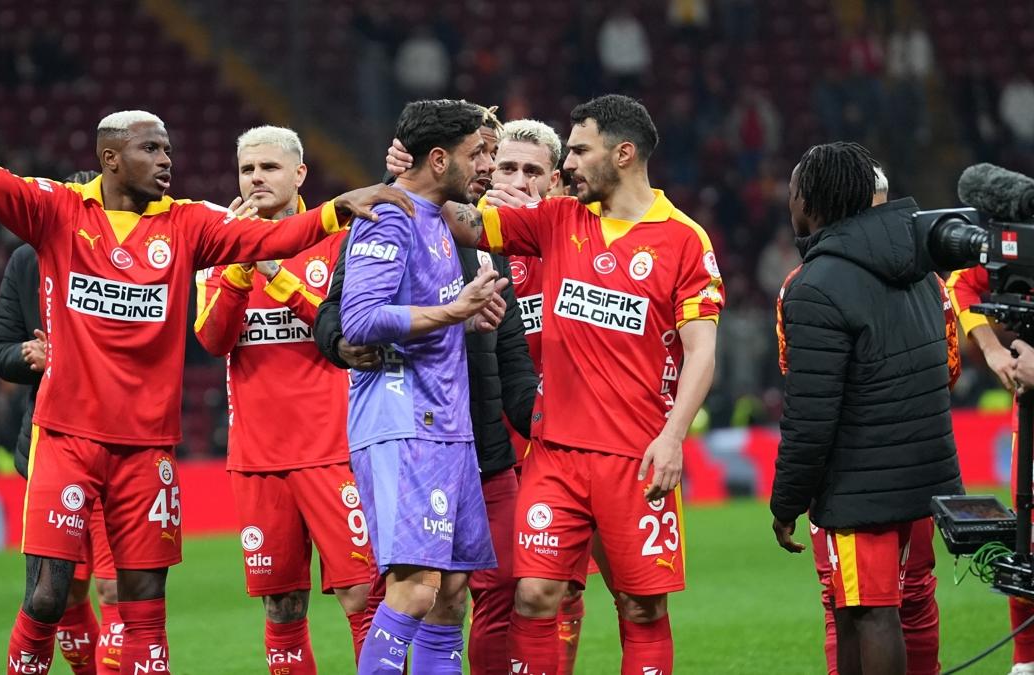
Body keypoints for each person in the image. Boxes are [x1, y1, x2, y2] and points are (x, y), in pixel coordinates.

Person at [0, 76, 411, 675]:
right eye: (151, 149)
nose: (167, 160)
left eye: (168, 149)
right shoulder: (59, 211)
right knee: (47, 597)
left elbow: (275, 235)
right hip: (66, 437)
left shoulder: (190, 223)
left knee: (143, 607)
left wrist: (337, 209)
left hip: (148, 449)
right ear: (110, 159)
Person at [448, 94, 723, 675]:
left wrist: (673, 437)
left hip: (637, 455)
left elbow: (702, 352)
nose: (566, 164)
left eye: (578, 151)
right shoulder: (558, 220)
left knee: (641, 606)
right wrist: (403, 178)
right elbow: (460, 221)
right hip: (556, 454)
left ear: (623, 154)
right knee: (533, 595)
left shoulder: (683, 239)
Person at [316, 112, 541, 675]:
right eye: (478, 154)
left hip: (452, 429)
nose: (488, 165)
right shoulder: (389, 215)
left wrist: (466, 321)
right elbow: (358, 319)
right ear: (439, 159)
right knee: (415, 590)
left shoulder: (443, 221)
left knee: (450, 597)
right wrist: (454, 311)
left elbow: (428, 312)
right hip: (404, 423)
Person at [771, 142, 963, 675]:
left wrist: (787, 501)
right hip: (924, 475)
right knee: (913, 597)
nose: (789, 202)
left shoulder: (811, 285)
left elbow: (810, 411)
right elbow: (947, 369)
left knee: (866, 610)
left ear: (814, 200)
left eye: (794, 192)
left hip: (860, 483)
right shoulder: (926, 272)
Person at [191, 126, 373, 673]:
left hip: (334, 451)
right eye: (247, 169)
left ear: (299, 174)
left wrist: (277, 274)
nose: (256, 179)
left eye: (269, 168)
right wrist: (241, 265)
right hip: (258, 460)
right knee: (281, 605)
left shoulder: (337, 241)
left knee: (363, 594)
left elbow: (349, 330)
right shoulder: (217, 249)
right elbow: (212, 339)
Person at [0, 168, 123, 675]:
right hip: (51, 445)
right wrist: (29, 355)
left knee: (114, 587)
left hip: (120, 444)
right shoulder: (27, 261)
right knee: (59, 595)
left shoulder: (132, 259)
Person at [945, 254, 1034, 675]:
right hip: (1030, 417)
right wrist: (993, 349)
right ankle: (1025, 661)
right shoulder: (1023, 245)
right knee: (1027, 541)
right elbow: (960, 283)